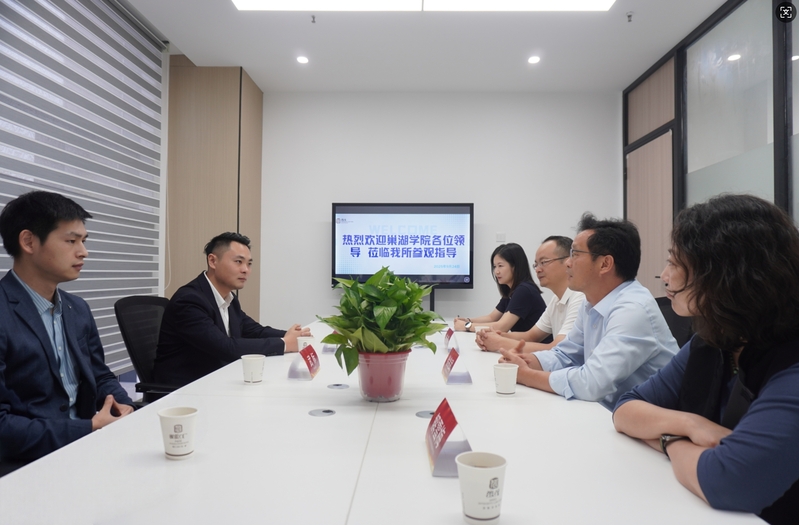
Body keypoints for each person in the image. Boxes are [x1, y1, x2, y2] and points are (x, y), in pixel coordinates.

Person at [613, 195, 799, 524]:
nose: (664, 275)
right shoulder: (715, 338)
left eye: (675, 263)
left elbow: (731, 482)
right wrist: (692, 425)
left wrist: (669, 440)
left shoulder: (790, 362)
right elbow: (626, 409)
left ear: (728, 274)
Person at [0, 191, 135, 466]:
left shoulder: (77, 308)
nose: (83, 251)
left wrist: (123, 405)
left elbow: (100, 375)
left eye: (84, 241)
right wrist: (89, 427)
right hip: (26, 463)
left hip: (85, 447)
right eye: (71, 241)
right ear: (28, 241)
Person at [498, 214, 678, 410]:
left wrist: (527, 375)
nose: (568, 263)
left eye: (575, 254)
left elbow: (592, 383)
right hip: (608, 412)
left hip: (648, 422)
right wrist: (529, 361)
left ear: (605, 264)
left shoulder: (633, 309)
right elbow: (566, 355)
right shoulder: (591, 302)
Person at [152, 232, 310, 387]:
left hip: (216, 380)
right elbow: (225, 348)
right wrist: (284, 343)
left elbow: (254, 330)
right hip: (184, 390)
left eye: (249, 264)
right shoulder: (189, 300)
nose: (245, 270)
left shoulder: (229, 299)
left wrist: (294, 336)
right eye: (238, 262)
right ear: (213, 261)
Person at [476, 236, 585, 353]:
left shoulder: (580, 298)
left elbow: (558, 348)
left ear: (568, 262)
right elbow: (531, 336)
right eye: (536, 264)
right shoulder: (556, 299)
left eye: (544, 262)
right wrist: (494, 335)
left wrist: (499, 342)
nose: (537, 270)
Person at [454, 242, 546, 333]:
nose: (496, 271)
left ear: (515, 266)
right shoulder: (512, 291)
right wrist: (467, 320)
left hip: (536, 343)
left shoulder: (524, 290)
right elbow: (492, 318)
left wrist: (466, 326)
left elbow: (501, 327)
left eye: (500, 266)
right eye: (495, 266)